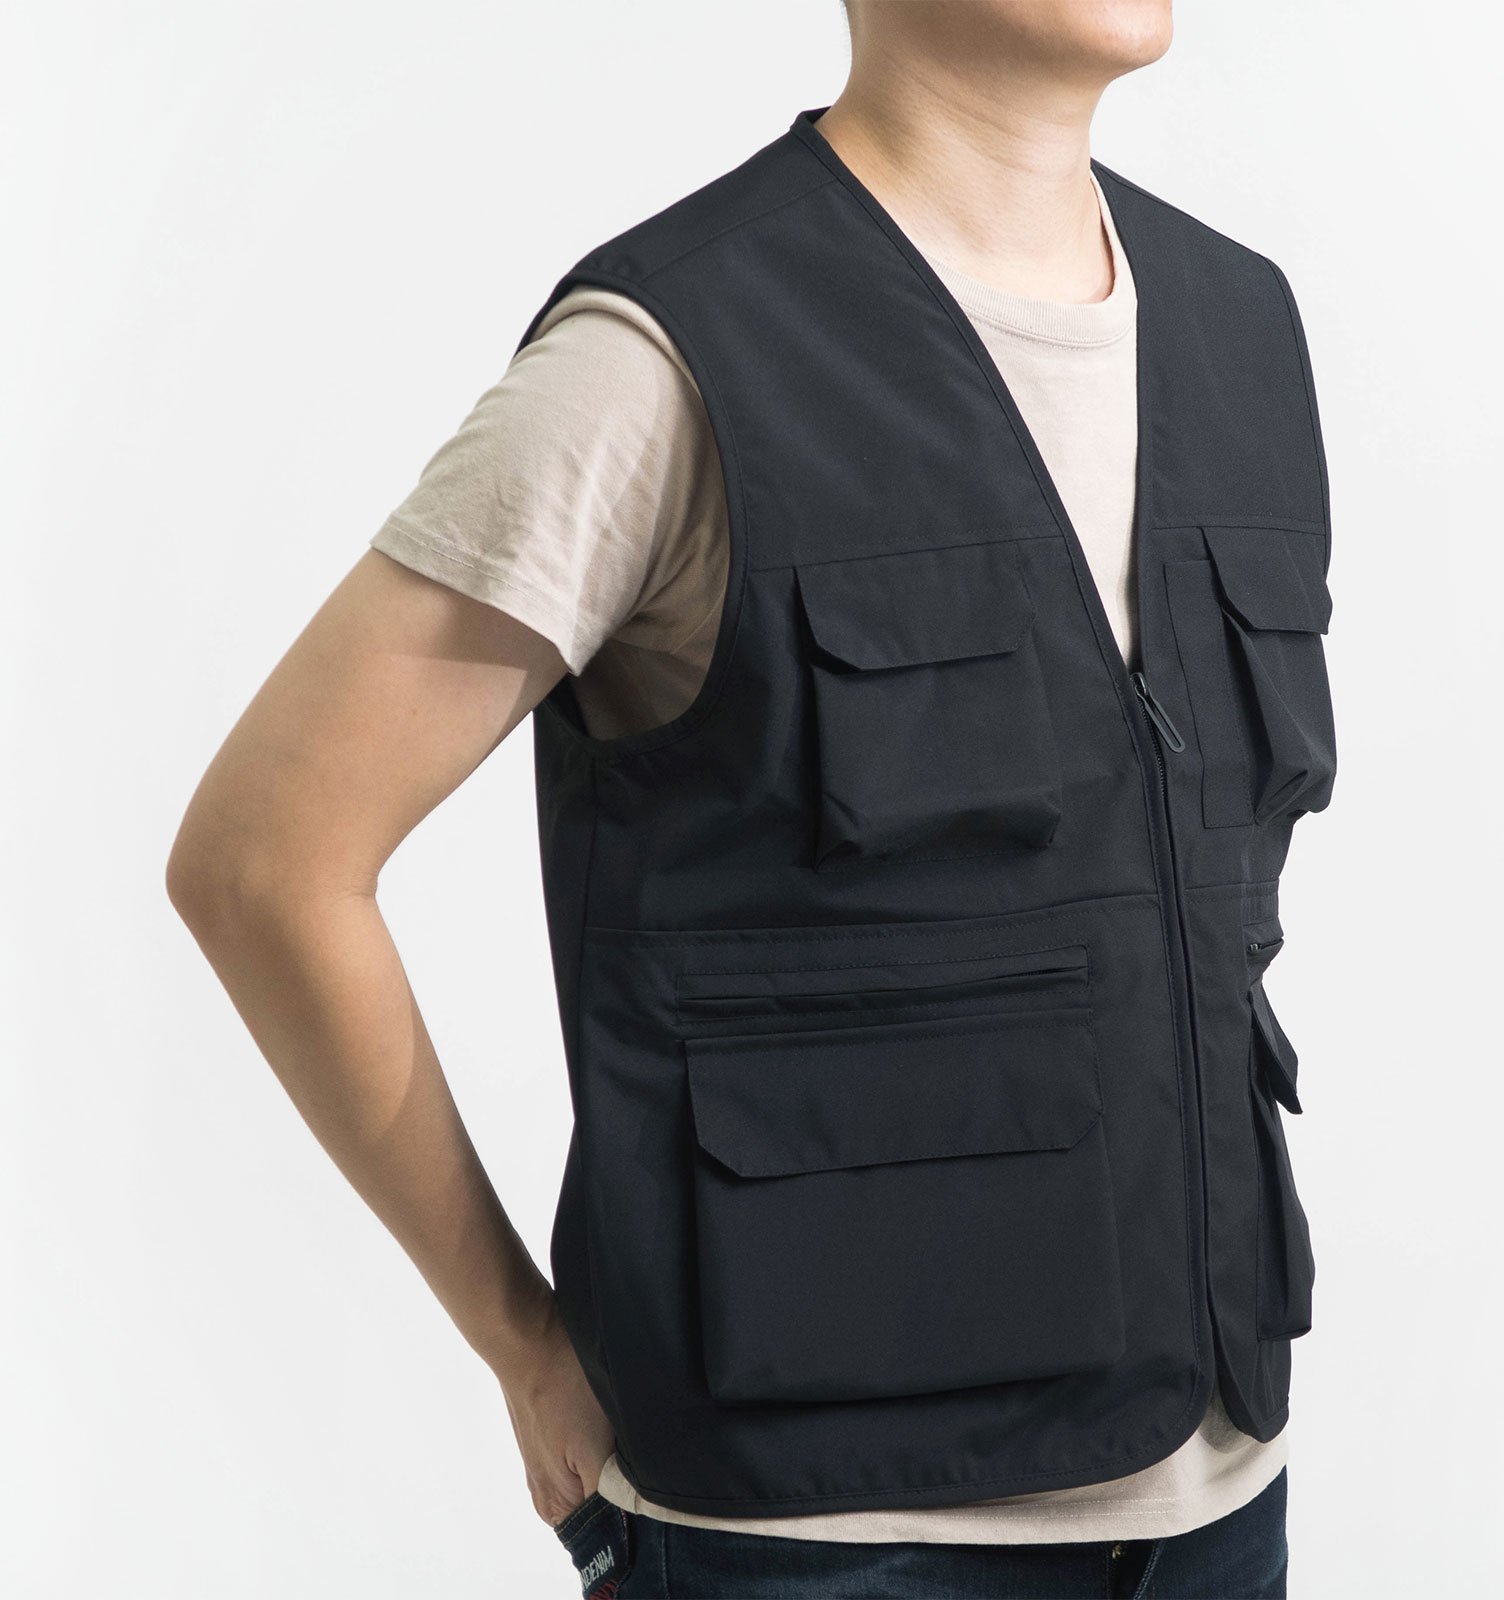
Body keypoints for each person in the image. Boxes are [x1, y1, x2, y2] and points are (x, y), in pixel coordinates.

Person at [169, 2, 1336, 1595]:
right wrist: (521, 1342)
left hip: (1220, 1505)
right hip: (822, 1540)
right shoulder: (664, 357)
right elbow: (266, 860)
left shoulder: (1240, 324)